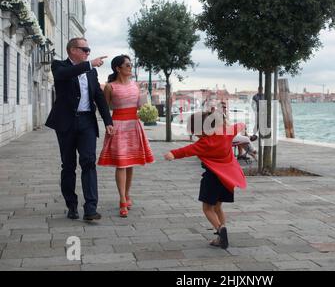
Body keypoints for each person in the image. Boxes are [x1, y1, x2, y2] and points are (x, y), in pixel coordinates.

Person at [45, 38, 114, 221]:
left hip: (87, 122)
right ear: (73, 50)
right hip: (66, 122)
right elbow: (65, 75)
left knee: (89, 162)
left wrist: (108, 121)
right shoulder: (59, 66)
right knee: (68, 165)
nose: (88, 52)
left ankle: (91, 208)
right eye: (85, 49)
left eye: (89, 50)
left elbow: (99, 97)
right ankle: (72, 205)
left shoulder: (91, 72)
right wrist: (89, 64)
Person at [164, 112, 247, 249]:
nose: (195, 135)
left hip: (212, 178)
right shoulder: (225, 134)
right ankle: (221, 233)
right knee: (218, 207)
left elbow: (187, 150)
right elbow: (240, 125)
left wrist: (172, 153)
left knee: (207, 208)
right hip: (227, 179)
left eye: (195, 131)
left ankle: (220, 230)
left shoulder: (203, 143)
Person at [98, 55, 155, 218]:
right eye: (128, 65)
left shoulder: (136, 86)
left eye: (131, 65)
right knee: (121, 164)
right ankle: (122, 200)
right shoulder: (110, 87)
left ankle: (127, 194)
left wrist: (145, 101)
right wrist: (107, 125)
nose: (131, 67)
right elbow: (105, 108)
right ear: (118, 68)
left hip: (134, 125)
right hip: (118, 126)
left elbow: (140, 106)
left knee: (130, 163)